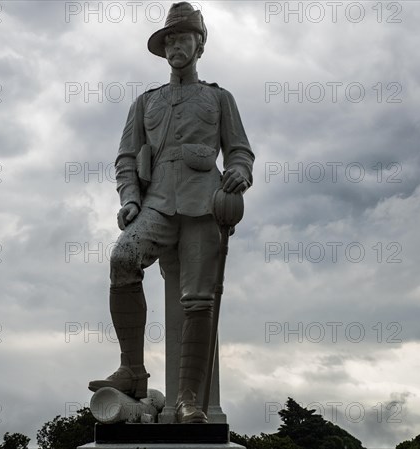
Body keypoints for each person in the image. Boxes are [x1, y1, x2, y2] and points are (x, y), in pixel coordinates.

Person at [88, 2, 254, 424]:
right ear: (163, 50)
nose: (176, 45)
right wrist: (129, 198)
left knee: (198, 299)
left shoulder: (220, 97)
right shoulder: (146, 103)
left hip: (204, 204)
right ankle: (132, 370)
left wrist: (238, 174)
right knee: (122, 259)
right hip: (158, 204)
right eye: (170, 39)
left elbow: (239, 151)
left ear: (200, 45)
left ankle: (187, 400)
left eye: (184, 37)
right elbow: (126, 158)